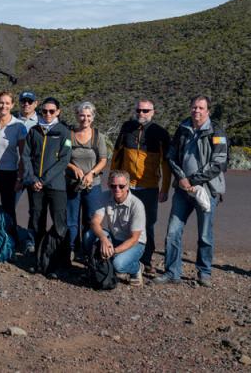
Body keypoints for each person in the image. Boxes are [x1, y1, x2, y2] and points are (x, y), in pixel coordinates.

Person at [154, 95, 228, 287]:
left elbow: (218, 163)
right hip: (182, 190)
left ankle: (204, 272)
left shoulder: (216, 131)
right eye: (194, 107)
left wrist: (192, 180)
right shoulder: (183, 128)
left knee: (204, 234)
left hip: (206, 190)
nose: (197, 111)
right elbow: (171, 156)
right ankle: (172, 272)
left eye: (201, 108)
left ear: (207, 111)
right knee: (173, 231)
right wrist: (181, 178)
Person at [110, 99, 171, 275]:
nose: (141, 114)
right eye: (139, 110)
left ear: (153, 112)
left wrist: (165, 188)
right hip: (126, 186)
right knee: (123, 222)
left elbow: (166, 163)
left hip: (149, 187)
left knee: (147, 225)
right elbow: (117, 154)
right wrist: (113, 179)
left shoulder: (160, 133)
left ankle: (146, 260)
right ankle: (125, 255)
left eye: (145, 111)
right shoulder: (127, 127)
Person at [21, 97, 72, 277]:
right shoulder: (34, 131)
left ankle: (59, 262)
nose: (48, 114)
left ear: (58, 111)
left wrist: (44, 179)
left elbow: (64, 159)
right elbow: (26, 157)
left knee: (59, 224)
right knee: (37, 223)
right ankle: (39, 261)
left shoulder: (64, 132)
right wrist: (33, 178)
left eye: (52, 111)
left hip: (56, 186)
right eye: (44, 111)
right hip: (35, 186)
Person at [83, 170, 147, 286]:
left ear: (128, 186)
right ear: (108, 185)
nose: (117, 189)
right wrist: (103, 239)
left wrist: (113, 252)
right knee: (88, 235)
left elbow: (134, 238)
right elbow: (95, 222)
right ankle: (93, 266)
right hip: (114, 237)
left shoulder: (137, 205)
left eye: (121, 186)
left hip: (135, 243)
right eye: (113, 186)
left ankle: (136, 268)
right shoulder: (105, 196)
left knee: (118, 265)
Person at [65, 101, 108, 259]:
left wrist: (92, 173)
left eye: (88, 115)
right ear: (77, 115)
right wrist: (73, 167)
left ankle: (88, 250)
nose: (85, 118)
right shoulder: (69, 135)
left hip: (92, 185)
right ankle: (71, 249)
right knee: (71, 219)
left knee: (91, 219)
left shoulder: (98, 137)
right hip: (72, 185)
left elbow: (103, 160)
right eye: (82, 115)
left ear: (93, 117)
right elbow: (62, 157)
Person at [0, 90, 27, 228]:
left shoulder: (19, 126)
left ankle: (11, 239)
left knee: (8, 208)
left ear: (12, 105)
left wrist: (20, 178)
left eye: (7, 103)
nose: (3, 106)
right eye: (1, 102)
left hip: (9, 172)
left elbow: (23, 155)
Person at [16, 90, 39, 252]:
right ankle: (10, 236)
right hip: (15, 173)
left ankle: (31, 240)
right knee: (10, 206)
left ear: (35, 104)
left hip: (34, 173)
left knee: (34, 209)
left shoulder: (42, 122)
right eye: (23, 101)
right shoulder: (13, 121)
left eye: (29, 101)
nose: (26, 104)